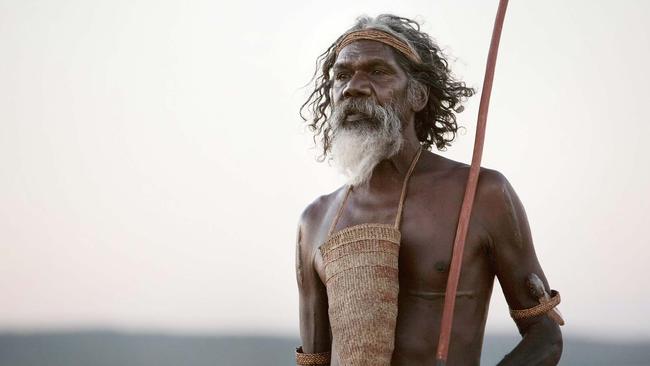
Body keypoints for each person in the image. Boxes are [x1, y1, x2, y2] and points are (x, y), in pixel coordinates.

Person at [295, 14, 563, 366]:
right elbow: (315, 360)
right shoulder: (315, 221)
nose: (353, 86)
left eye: (377, 71)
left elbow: (544, 334)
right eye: (342, 75)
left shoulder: (481, 195)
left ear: (418, 95)